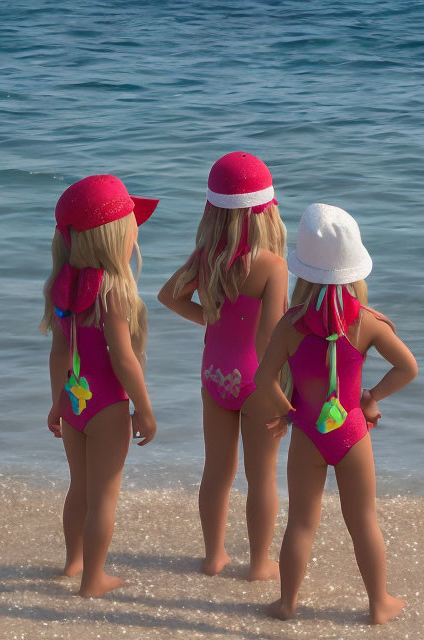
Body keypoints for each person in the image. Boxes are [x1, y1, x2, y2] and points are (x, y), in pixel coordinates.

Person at [247, 203, 417, 623]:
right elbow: (408, 368)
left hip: (308, 434)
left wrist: (289, 413)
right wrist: (370, 397)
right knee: (363, 522)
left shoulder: (291, 324)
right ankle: (379, 604)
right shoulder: (368, 323)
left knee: (301, 524)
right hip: (352, 434)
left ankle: (287, 604)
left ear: (304, 271)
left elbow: (263, 380)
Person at [158, 152, 288, 580]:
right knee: (261, 478)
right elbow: (270, 336)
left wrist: (210, 317)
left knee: (217, 470)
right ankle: (259, 564)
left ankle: (214, 556)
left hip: (214, 375)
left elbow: (168, 296)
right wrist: (284, 395)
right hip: (257, 380)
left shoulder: (205, 258)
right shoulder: (272, 266)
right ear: (267, 213)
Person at [40, 174, 159, 597]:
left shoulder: (60, 288)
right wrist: (144, 409)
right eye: (131, 228)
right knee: (104, 495)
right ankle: (94, 579)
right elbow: (123, 360)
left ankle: (74, 562)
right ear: (113, 238)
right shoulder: (114, 291)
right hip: (108, 406)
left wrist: (58, 402)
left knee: (79, 487)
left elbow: (58, 353)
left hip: (74, 402)